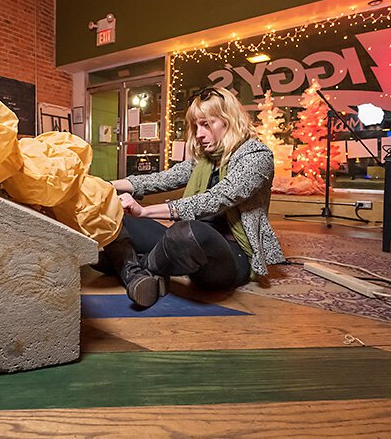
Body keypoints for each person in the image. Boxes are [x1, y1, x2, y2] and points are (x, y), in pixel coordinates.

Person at [100, 86, 285, 308]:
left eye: (207, 124)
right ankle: (136, 275)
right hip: (182, 245)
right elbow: (158, 180)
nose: (199, 134)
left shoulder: (257, 156)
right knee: (112, 209)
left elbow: (217, 198)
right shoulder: (205, 159)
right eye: (196, 125)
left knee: (187, 233)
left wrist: (145, 211)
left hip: (228, 256)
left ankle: (125, 262)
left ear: (229, 120)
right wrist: (104, 186)